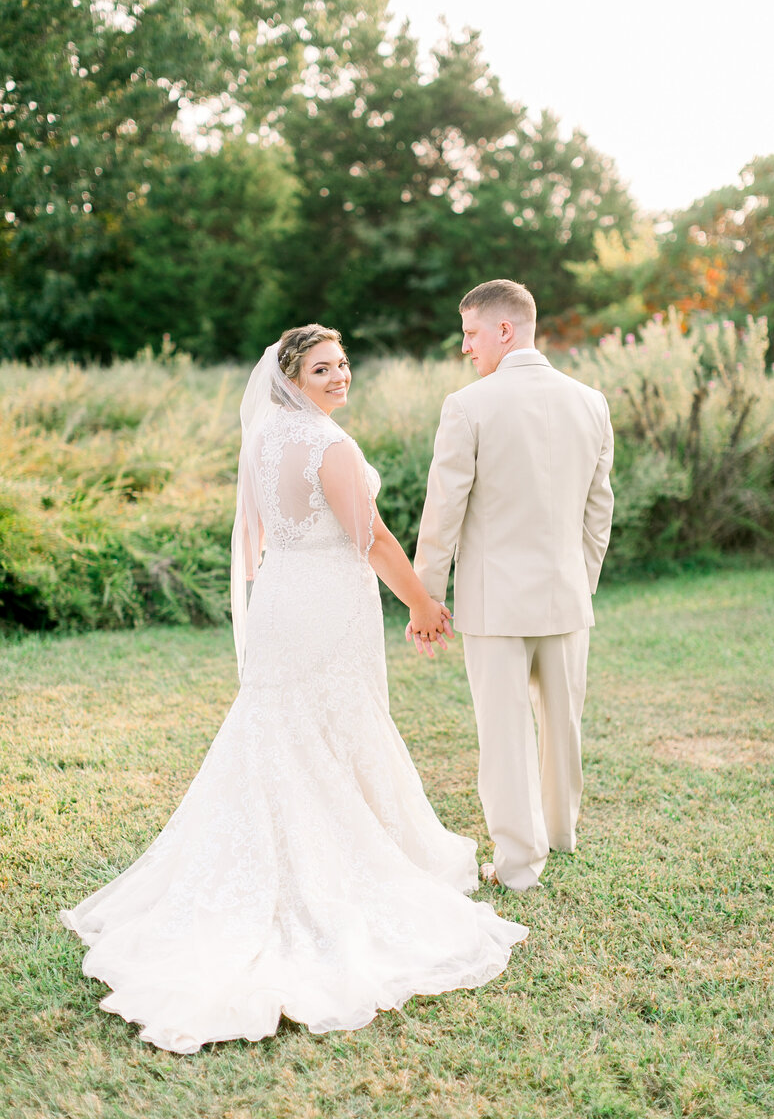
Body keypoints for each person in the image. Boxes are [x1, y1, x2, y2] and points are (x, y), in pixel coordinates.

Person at [60, 324, 527, 1055]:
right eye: (322, 368)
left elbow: (257, 539)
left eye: (343, 365)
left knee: (282, 728)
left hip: (284, 595)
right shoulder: (328, 446)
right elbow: (369, 539)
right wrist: (423, 604)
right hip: (327, 603)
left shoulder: (264, 438)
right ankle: (328, 874)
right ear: (291, 376)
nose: (339, 377)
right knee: (330, 724)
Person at [410, 280, 614, 890]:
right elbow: (598, 510)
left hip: (493, 602)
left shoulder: (468, 405)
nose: (465, 347)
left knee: (504, 736)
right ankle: (560, 831)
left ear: (506, 330)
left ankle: (520, 865)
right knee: (562, 723)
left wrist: (427, 597)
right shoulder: (591, 401)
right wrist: (581, 581)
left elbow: (443, 510)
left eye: (471, 333)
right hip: (567, 594)